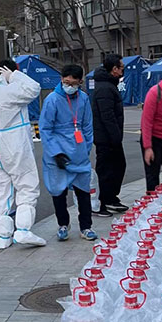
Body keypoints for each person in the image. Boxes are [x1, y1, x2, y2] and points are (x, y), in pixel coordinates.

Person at [0, 58, 46, 249]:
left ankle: (3, 234)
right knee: (26, 185)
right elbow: (34, 88)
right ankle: (23, 230)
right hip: (15, 143)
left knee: (2, 189)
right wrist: (14, 76)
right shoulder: (11, 90)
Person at [39, 63, 97, 242]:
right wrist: (55, 153)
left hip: (78, 150)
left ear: (80, 82)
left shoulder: (84, 99)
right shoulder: (52, 99)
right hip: (58, 150)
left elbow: (87, 126)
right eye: (66, 82)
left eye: (73, 83)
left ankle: (86, 227)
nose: (69, 86)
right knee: (58, 191)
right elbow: (45, 129)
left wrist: (86, 148)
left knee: (83, 190)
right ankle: (63, 224)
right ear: (61, 80)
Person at [92, 54, 128, 217]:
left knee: (117, 167)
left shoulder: (108, 84)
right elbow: (107, 116)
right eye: (121, 68)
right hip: (106, 138)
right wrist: (115, 137)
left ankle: (111, 198)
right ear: (114, 69)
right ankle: (104, 200)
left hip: (110, 136)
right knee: (107, 169)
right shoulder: (105, 88)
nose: (123, 71)